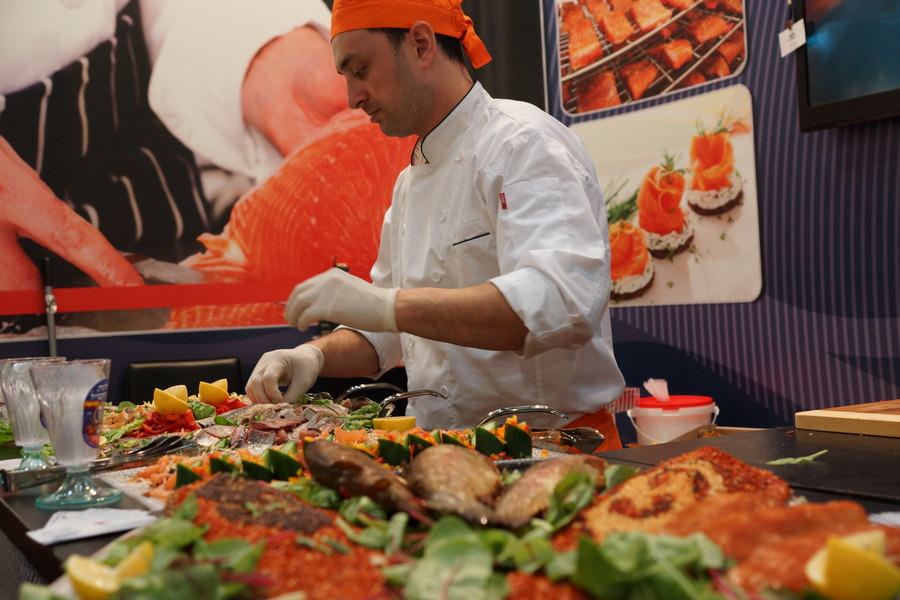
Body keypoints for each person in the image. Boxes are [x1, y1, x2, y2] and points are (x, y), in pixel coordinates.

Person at [247, 0, 626, 447]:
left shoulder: (523, 143)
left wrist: (389, 306)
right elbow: (384, 333)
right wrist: (313, 355)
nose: (352, 98)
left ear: (422, 44)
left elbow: (560, 300)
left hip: (554, 448)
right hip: (445, 451)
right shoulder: (408, 185)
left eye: (361, 69)